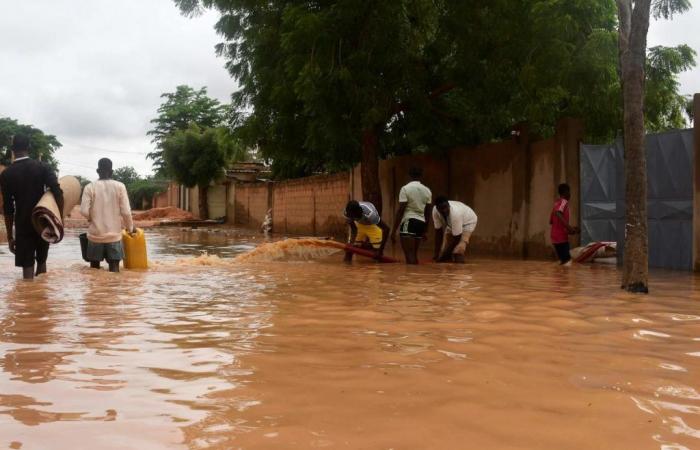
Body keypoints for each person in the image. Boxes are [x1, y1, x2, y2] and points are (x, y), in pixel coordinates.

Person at [0, 134, 64, 280]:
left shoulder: (7, 174)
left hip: (22, 225)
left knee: (27, 271)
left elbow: (8, 209)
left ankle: (28, 299)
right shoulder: (43, 167)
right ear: (28, 148)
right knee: (42, 263)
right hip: (43, 221)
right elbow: (58, 193)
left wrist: (10, 236)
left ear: (12, 150)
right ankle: (41, 299)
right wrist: (59, 219)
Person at [80, 158, 134, 272]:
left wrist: (91, 218)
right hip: (114, 237)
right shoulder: (120, 186)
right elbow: (126, 212)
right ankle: (112, 288)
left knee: (94, 272)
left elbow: (84, 211)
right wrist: (130, 228)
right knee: (114, 271)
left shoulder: (89, 187)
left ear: (97, 171)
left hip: (95, 237)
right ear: (112, 171)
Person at [391, 167, 432, 264]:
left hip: (408, 222)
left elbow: (401, 210)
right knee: (414, 255)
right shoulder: (427, 190)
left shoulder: (405, 189)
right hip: (420, 223)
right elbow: (428, 212)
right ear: (421, 176)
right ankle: (415, 278)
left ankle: (410, 277)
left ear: (409, 175)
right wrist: (425, 230)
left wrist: (393, 231)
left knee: (409, 255)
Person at [432, 196, 477, 263]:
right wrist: (436, 254)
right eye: (442, 208)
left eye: (446, 207)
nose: (444, 210)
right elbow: (438, 232)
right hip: (451, 224)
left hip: (468, 222)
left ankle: (459, 270)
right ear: (437, 208)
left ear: (448, 205)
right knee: (444, 251)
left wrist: (444, 256)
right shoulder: (435, 211)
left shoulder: (455, 213)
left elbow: (457, 238)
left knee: (458, 252)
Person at [550, 183, 580, 266]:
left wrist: (572, 230)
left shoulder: (556, 204)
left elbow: (552, 222)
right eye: (569, 192)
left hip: (555, 238)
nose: (570, 194)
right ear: (565, 193)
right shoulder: (564, 202)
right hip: (561, 238)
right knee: (568, 261)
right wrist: (570, 228)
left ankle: (559, 277)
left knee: (563, 261)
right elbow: (558, 214)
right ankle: (564, 278)